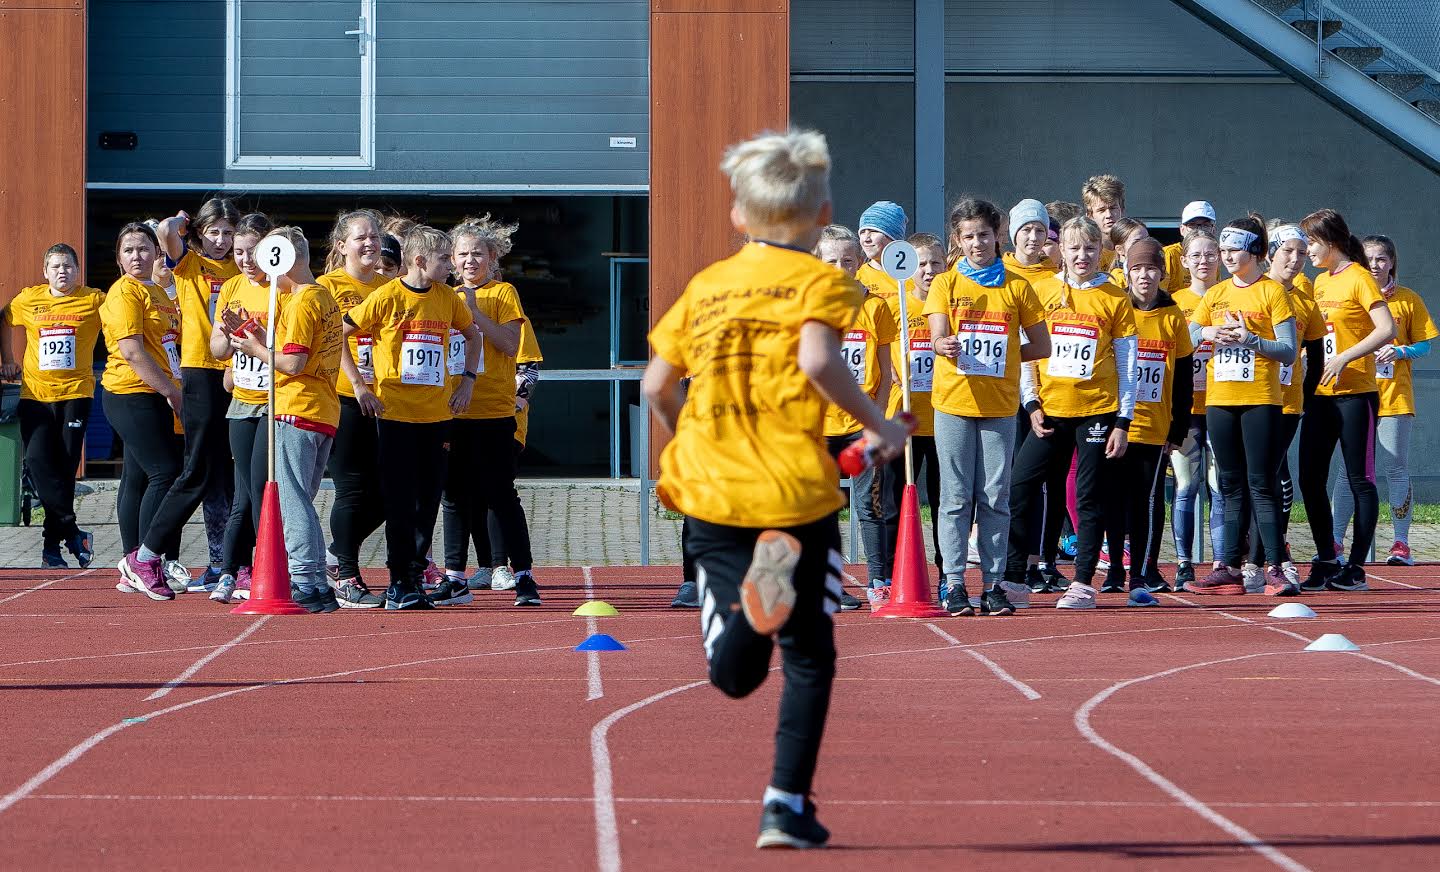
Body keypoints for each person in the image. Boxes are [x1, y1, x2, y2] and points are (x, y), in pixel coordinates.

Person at [641, 128, 908, 849]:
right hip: (793, 488)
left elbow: (656, 385)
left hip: (710, 484)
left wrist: (689, 433)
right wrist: (880, 422)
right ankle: (785, 803)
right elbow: (821, 358)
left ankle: (737, 625)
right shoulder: (826, 281)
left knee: (734, 676)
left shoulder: (707, 285)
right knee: (811, 655)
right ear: (824, 215)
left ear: (737, 219)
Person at [343, 225, 483, 610]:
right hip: (395, 414)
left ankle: (417, 574)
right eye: (443, 259)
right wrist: (359, 384)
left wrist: (467, 381)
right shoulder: (386, 297)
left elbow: (474, 337)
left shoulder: (447, 299)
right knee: (400, 501)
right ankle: (399, 581)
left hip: (438, 415)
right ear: (419, 261)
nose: (450, 266)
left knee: (428, 500)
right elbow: (340, 333)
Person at [1005, 216, 1137, 610]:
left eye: (1090, 249)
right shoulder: (1041, 289)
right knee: (1020, 486)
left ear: (1102, 251)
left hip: (1097, 410)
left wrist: (1123, 421)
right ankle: (1014, 576)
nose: (1082, 256)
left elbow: (1128, 366)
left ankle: (1082, 582)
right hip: (1049, 409)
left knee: (1087, 495)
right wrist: (1031, 404)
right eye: (1074, 248)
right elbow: (1026, 351)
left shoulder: (1114, 297)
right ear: (1060, 249)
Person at [924, 199, 1049, 616]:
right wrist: (945, 345)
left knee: (995, 496)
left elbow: (1042, 344)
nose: (977, 243)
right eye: (968, 236)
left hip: (999, 406)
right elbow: (938, 336)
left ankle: (994, 584)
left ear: (997, 235)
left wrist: (1009, 353)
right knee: (956, 497)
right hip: (954, 402)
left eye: (983, 234)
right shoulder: (946, 284)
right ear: (957, 241)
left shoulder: (1017, 286)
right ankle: (955, 583)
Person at [226, 227, 344, 613]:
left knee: (292, 500)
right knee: (299, 498)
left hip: (297, 407)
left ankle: (307, 580)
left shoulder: (299, 301)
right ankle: (313, 582)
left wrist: (254, 348)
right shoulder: (322, 295)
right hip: (320, 407)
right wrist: (259, 335)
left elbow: (293, 363)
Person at [1184, 217, 1299, 596]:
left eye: (1235, 249)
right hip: (1220, 400)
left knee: (1260, 483)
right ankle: (1229, 566)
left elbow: (1287, 352)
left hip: (1261, 401)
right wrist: (1208, 332)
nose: (1226, 255)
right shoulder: (1215, 294)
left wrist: (1252, 340)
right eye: (1225, 249)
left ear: (1254, 253)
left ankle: (1276, 567)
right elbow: (1185, 335)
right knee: (1229, 483)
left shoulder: (1272, 293)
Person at [435, 216, 535, 608]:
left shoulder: (503, 293)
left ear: (492, 258)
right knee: (455, 497)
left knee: (500, 495)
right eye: (462, 254)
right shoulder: (442, 296)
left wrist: (473, 312)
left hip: (493, 410)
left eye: (478, 253)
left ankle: (523, 576)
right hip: (451, 412)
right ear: (451, 261)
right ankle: (454, 577)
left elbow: (511, 345)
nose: (470, 260)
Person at [1298, 209, 1395, 592]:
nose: (1307, 251)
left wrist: (1345, 356)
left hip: (1356, 395)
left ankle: (1355, 567)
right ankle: (1326, 558)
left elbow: (1387, 329)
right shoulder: (1319, 283)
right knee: (1309, 477)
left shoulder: (1358, 276)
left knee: (1360, 479)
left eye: (1311, 242)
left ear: (1332, 242)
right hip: (1322, 395)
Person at [147, 199, 242, 591]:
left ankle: (224, 561)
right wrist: (182, 221)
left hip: (238, 373)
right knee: (198, 470)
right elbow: (166, 232)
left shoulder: (242, 268)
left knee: (229, 473)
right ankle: (146, 554)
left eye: (228, 233)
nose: (221, 240)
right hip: (201, 369)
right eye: (213, 232)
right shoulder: (189, 264)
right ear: (201, 233)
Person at [1331, 235, 1436, 566]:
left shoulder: (1407, 300)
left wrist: (1401, 350)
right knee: (1349, 470)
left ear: (1391, 262)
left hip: (1394, 398)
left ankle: (1401, 543)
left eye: (1380, 259)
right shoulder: (1350, 295)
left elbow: (1426, 345)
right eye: (1368, 259)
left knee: (1395, 467)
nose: (1374, 265)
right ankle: (1334, 540)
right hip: (1355, 394)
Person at [1, 244, 104, 569]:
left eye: (68, 266)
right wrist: (8, 359)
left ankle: (51, 550)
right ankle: (72, 531)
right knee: (36, 462)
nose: (63, 272)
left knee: (64, 470)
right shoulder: (29, 299)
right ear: (46, 272)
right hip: (35, 396)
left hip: (76, 395)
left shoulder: (93, 300)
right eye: (56, 266)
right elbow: (4, 318)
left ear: (78, 270)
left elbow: (123, 319)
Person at [1104, 238, 1191, 601]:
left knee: (1146, 501)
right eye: (1137, 269)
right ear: (1127, 272)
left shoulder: (1172, 317)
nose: (1144, 276)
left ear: (1162, 273)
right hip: (1115, 423)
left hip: (1154, 426)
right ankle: (1113, 570)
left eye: (1151, 269)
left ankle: (1142, 571)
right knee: (1113, 499)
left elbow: (1184, 376)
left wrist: (1179, 427)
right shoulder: (1118, 309)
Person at [104, 223, 184, 600]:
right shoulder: (124, 292)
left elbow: (169, 342)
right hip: (131, 392)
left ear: (156, 253)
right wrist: (172, 391)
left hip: (154, 392)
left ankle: (131, 563)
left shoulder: (158, 291)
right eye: (129, 250)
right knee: (165, 473)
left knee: (136, 477)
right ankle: (144, 559)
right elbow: (133, 351)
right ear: (119, 259)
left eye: (143, 249)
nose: (137, 256)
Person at [316, 210, 389, 608]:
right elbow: (334, 338)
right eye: (361, 237)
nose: (370, 244)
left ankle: (333, 555)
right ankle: (347, 575)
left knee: (389, 494)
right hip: (343, 398)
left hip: (385, 401)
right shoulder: (327, 287)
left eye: (375, 237)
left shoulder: (389, 286)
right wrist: (359, 385)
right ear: (342, 246)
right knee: (352, 489)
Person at [819, 225, 897, 593]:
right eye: (831, 260)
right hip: (819, 424)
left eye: (847, 260)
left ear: (859, 263)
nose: (840, 267)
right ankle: (827, 582)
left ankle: (878, 579)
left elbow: (885, 373)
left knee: (870, 505)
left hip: (860, 424)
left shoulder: (875, 307)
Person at [205, 213, 277, 604]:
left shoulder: (284, 288)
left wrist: (258, 342)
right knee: (242, 493)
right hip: (241, 403)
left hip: (274, 402)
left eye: (253, 252)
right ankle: (230, 571)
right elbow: (217, 349)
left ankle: (256, 569)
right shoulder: (231, 287)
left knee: (254, 492)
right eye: (239, 252)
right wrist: (231, 339)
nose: (246, 260)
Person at [1257, 224, 1326, 586]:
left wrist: (1307, 396)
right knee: (1247, 479)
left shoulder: (1304, 300)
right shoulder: (1250, 290)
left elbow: (1314, 353)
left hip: (1286, 403)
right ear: (1271, 253)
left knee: (1276, 477)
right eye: (1288, 252)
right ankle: (1245, 557)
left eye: (1302, 253)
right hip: (1246, 399)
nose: (1296, 260)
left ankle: (1276, 553)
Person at [885, 233, 947, 592]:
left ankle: (943, 574)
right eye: (921, 264)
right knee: (894, 499)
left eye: (935, 263)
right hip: (902, 420)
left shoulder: (948, 306)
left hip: (942, 419)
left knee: (944, 502)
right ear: (908, 268)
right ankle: (897, 574)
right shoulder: (898, 306)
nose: (927, 271)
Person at [1167, 230, 1225, 588]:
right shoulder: (1174, 301)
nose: (1204, 261)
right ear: (1185, 261)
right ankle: (1184, 563)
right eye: (1197, 255)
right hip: (1186, 408)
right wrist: (1202, 333)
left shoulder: (1228, 295)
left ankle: (1221, 561)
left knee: (1219, 486)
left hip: (1222, 404)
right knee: (1186, 486)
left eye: (1210, 254)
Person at [854, 201, 907, 305]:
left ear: (893, 236)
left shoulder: (915, 276)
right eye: (862, 232)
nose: (866, 238)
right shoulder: (857, 278)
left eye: (873, 231)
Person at [1164, 201, 1217, 293]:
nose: (1199, 229)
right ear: (1182, 229)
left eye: (1205, 225)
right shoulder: (1169, 254)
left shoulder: (1213, 255)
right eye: (1192, 225)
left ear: (1213, 230)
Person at [1081, 175, 1127, 271]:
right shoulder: (1084, 252)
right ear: (1090, 215)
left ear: (1121, 210)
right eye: (1101, 210)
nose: (1108, 215)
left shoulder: (1133, 248)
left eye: (1113, 208)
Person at [1106, 218, 1149, 288]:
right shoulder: (1116, 280)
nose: (1145, 246)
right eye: (1136, 243)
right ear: (1120, 250)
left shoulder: (1157, 271)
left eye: (1147, 240)